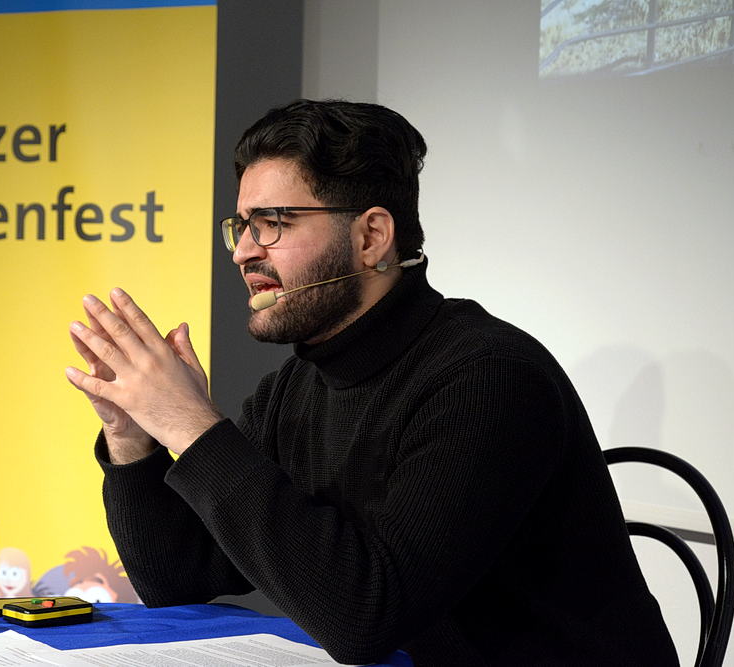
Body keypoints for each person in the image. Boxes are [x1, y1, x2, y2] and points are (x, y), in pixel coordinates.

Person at [65, 100, 678, 665]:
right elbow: (178, 581)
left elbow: (367, 618)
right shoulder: (296, 387)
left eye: (272, 222)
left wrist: (192, 426)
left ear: (370, 237)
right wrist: (132, 439)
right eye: (243, 225)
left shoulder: (489, 377)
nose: (243, 252)